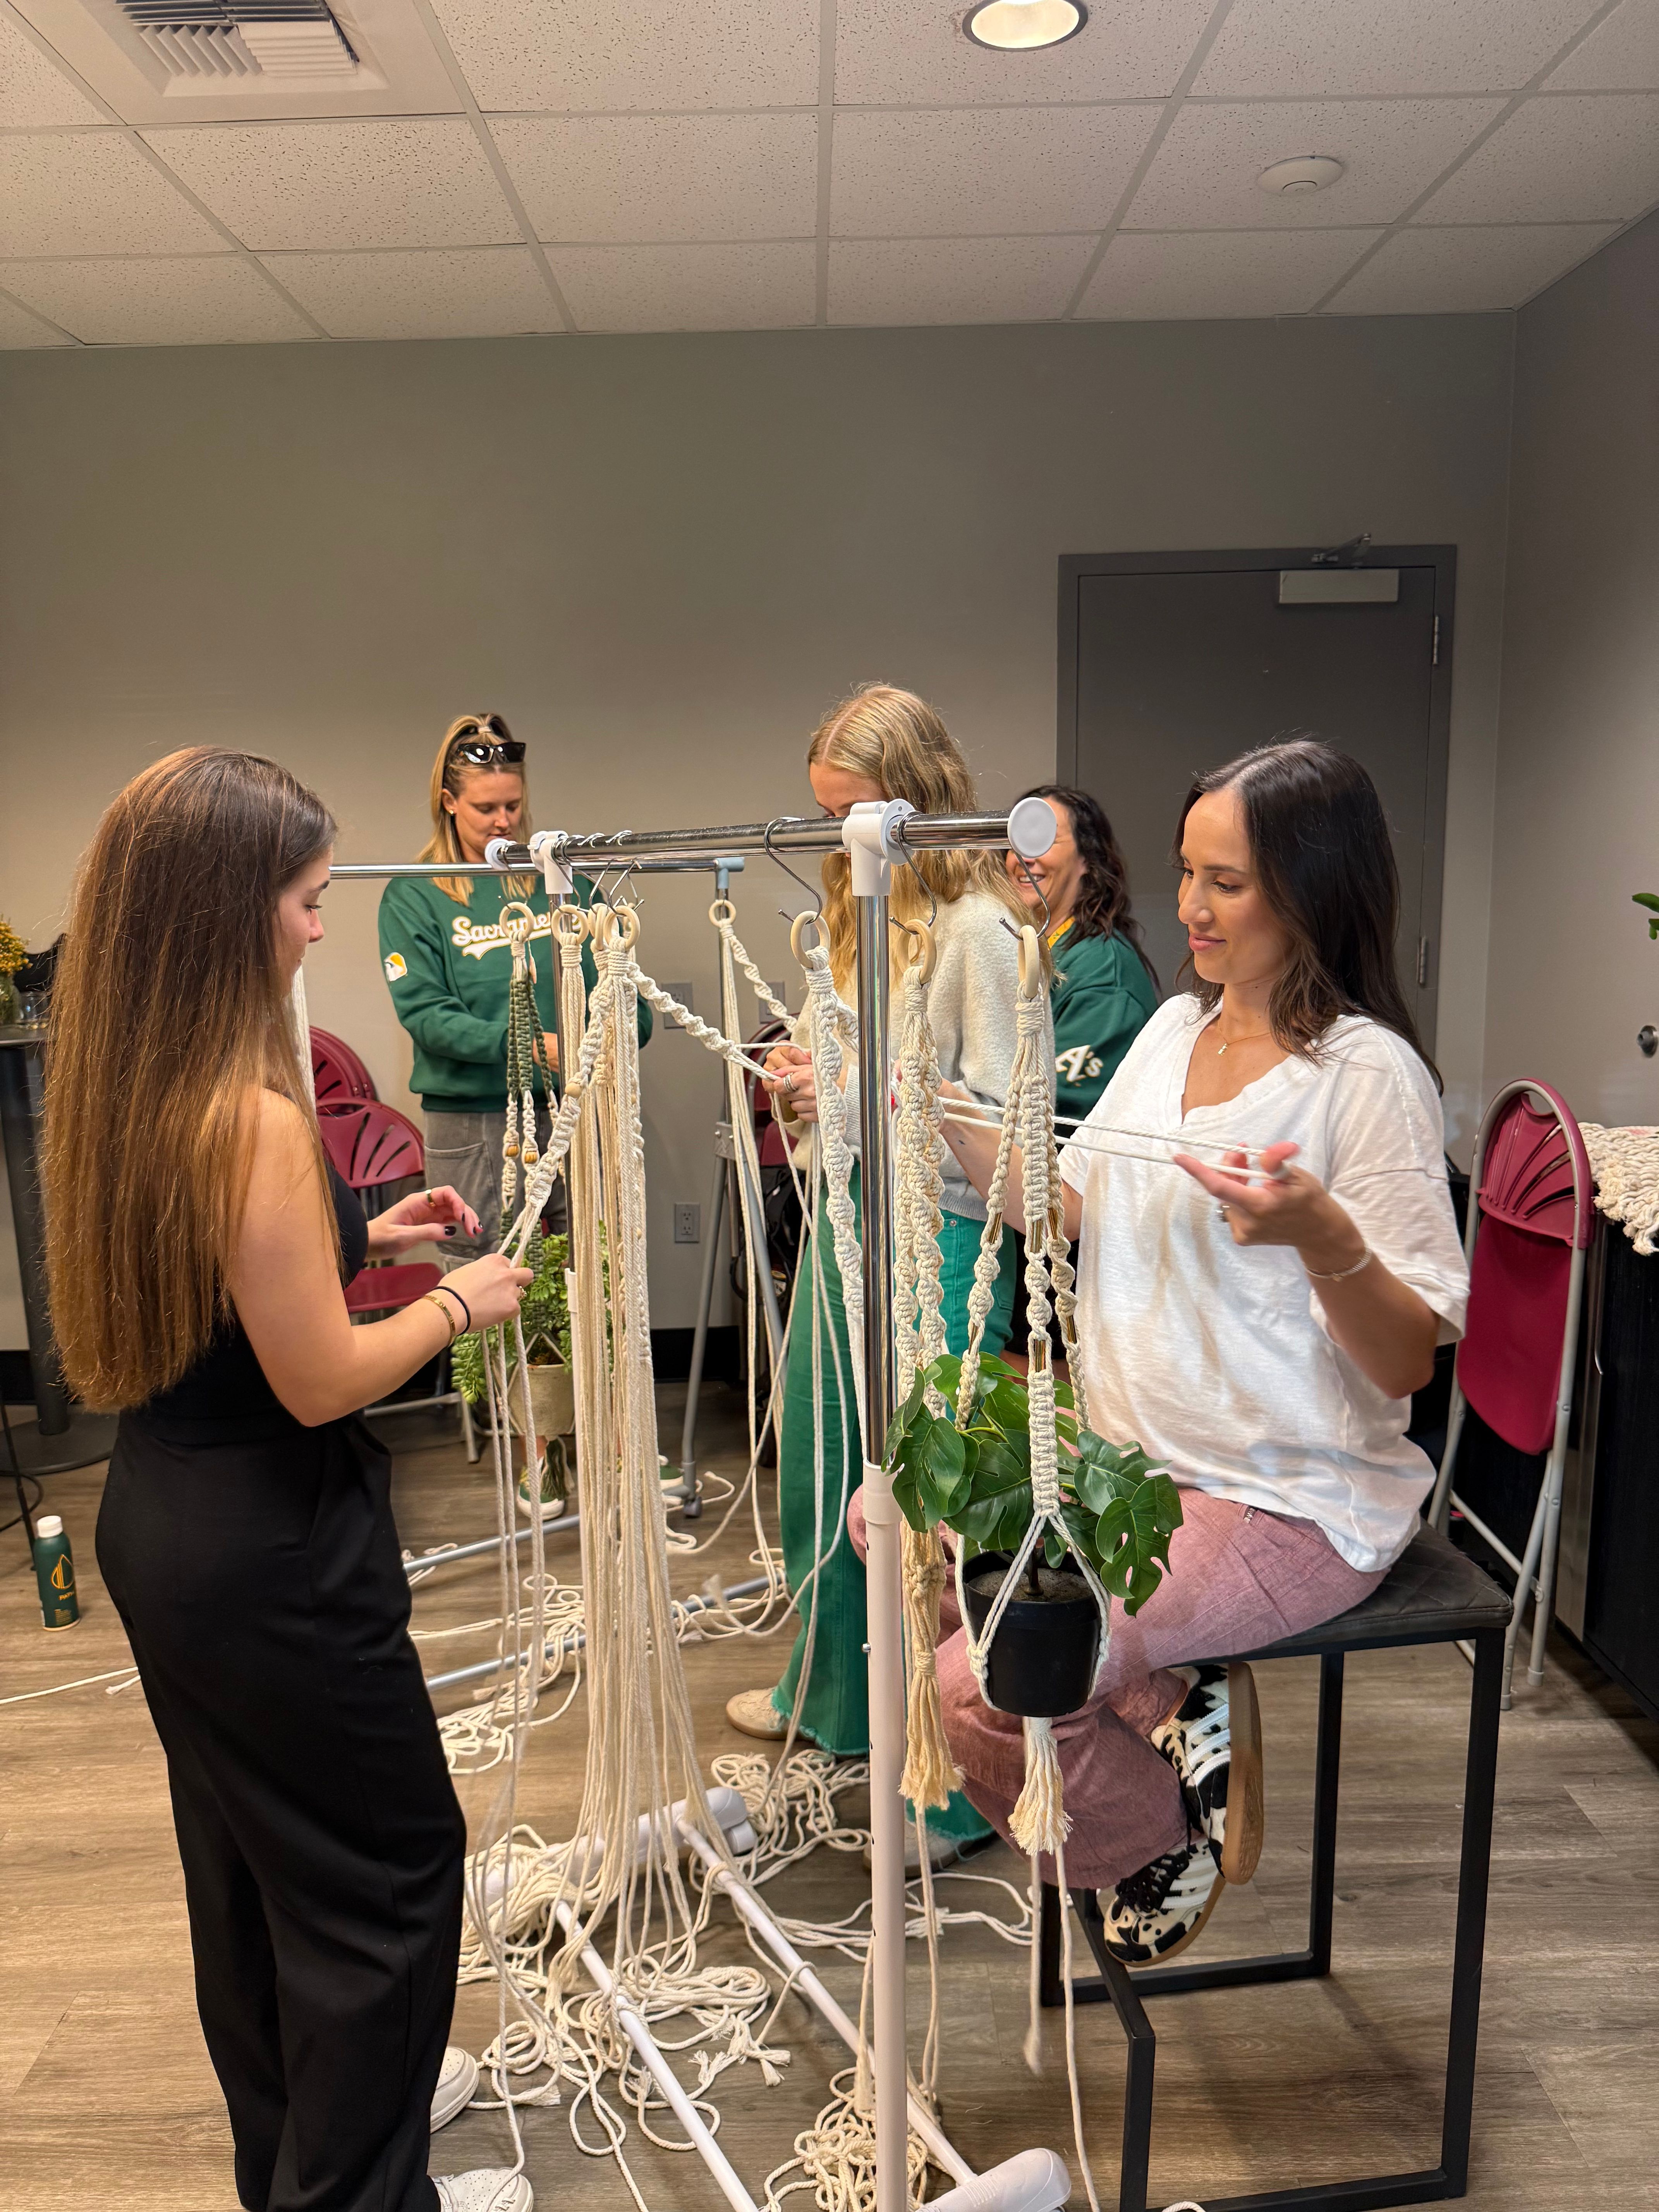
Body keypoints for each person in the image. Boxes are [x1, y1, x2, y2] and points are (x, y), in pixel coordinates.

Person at [43, 749, 536, 2212]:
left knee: (258, 1878)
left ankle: (307, 2170)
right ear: (226, 912)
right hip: (271, 1551)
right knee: (390, 1876)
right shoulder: (250, 1110)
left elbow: (215, 1293)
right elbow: (316, 1378)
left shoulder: (133, 1078)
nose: (323, 929)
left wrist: (363, 1229)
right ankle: (367, 2193)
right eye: (307, 900)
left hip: (169, 1521)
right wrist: (457, 1301)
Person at [934, 738, 1468, 1961]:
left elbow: (1405, 1362)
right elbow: (1058, 1201)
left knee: (979, 1687)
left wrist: (1321, 1233)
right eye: (1187, 873)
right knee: (893, 1522)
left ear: (1310, 887)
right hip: (1135, 1468)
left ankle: (1152, 1838)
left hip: (1281, 1495)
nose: (1187, 905)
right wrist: (924, 1103)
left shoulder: (1364, 1077)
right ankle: (1170, 1695)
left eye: (1224, 881)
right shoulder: (1175, 1029)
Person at [724, 683, 1040, 1872]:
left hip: (944, 1238)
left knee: (923, 1511)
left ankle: (953, 1787)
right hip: (856, 1212)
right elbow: (857, 1093)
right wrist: (811, 1085)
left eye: (854, 815)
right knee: (820, 1459)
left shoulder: (979, 932)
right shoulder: (860, 914)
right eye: (825, 818)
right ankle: (839, 1700)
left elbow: (997, 1132)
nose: (836, 842)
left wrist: (862, 1093)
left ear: (919, 802)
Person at [378, 712, 651, 1261]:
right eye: (485, 809)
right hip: (474, 1119)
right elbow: (428, 1017)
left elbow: (632, 1008)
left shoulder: (564, 888)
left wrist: (606, 1037)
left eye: (513, 806)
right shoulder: (415, 894)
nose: (503, 822)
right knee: (480, 1264)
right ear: (449, 802)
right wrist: (527, 1047)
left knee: (596, 1258)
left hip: (574, 1105)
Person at [1007, 784, 1158, 1123]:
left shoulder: (1104, 973)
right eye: (1016, 841)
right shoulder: (1025, 949)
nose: (1024, 857)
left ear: (1087, 860)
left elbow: (1055, 1111)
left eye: (1043, 840)